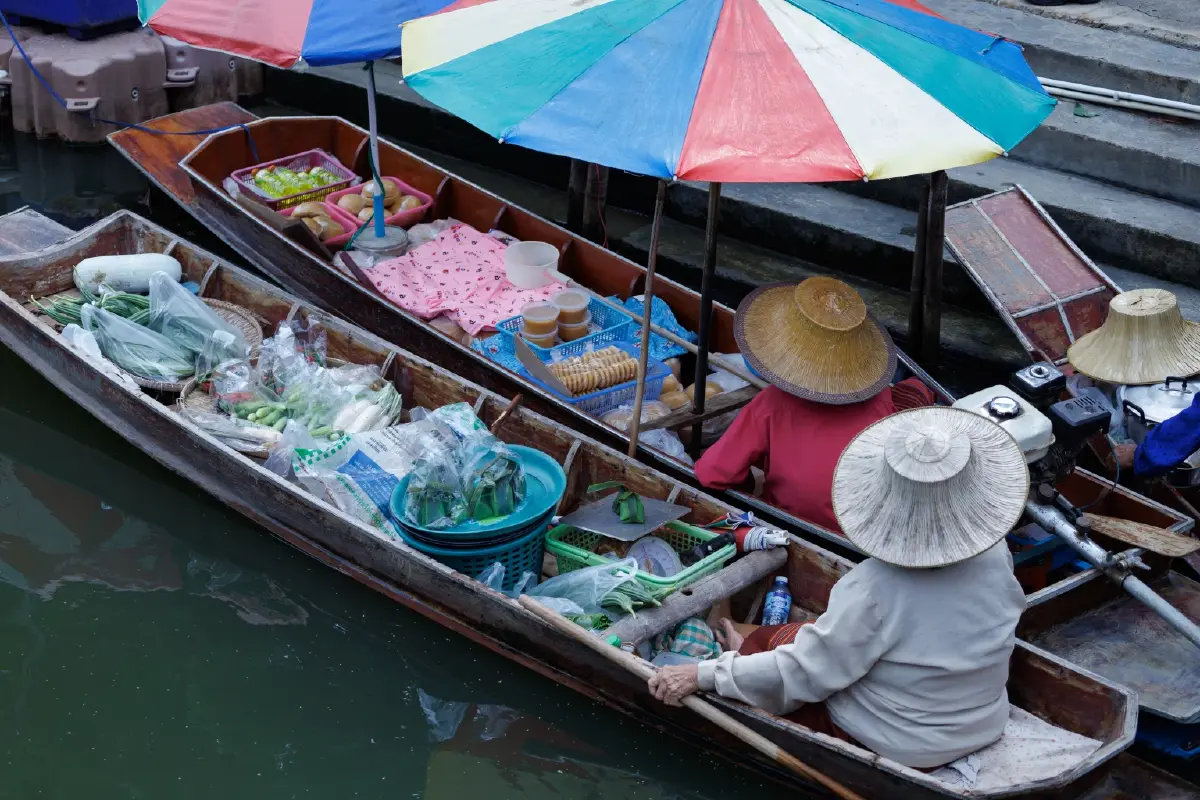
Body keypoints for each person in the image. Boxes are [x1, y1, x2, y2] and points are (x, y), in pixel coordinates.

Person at [651, 406, 1030, 770]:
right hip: (983, 720)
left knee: (769, 649)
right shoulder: (995, 552)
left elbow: (806, 675)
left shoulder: (873, 588)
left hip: (904, 743)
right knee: (788, 639)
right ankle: (744, 657)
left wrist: (702, 674)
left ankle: (741, 656)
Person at [694, 276, 933, 533]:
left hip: (793, 524)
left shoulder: (772, 403)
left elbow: (712, 473)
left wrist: (750, 481)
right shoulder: (885, 402)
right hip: (868, 533)